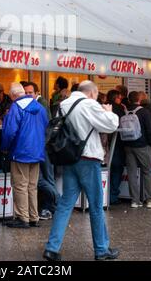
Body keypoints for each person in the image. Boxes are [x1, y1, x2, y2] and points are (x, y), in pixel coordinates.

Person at [44, 80, 119, 262]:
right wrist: (109, 112)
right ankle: (101, 250)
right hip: (88, 158)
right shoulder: (89, 104)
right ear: (92, 93)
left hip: (70, 158)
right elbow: (110, 125)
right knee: (95, 205)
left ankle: (52, 248)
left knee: (65, 204)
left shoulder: (63, 104)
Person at [2, 83, 49, 229]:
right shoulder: (40, 107)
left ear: (13, 96)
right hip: (37, 151)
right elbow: (46, 126)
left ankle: (23, 217)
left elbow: (10, 132)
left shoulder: (16, 107)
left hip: (20, 151)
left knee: (20, 185)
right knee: (32, 186)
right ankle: (34, 216)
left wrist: (4, 148)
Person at [24, 82, 59, 220]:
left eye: (30, 93)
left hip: (44, 146)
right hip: (39, 146)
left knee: (45, 178)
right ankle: (49, 206)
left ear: (37, 93)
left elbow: (46, 126)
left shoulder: (41, 105)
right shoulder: (33, 104)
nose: (27, 95)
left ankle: (53, 205)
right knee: (41, 178)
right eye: (25, 92)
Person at [124, 91, 151, 209]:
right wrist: (150, 142)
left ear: (129, 99)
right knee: (147, 172)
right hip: (142, 146)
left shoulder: (125, 111)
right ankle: (149, 200)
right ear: (139, 99)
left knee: (132, 173)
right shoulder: (144, 111)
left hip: (128, 145)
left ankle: (135, 200)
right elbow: (150, 129)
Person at [107, 90, 126, 205]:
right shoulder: (119, 109)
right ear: (116, 98)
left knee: (106, 170)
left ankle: (106, 195)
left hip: (104, 145)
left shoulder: (104, 107)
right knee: (117, 169)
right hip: (117, 144)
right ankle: (113, 196)